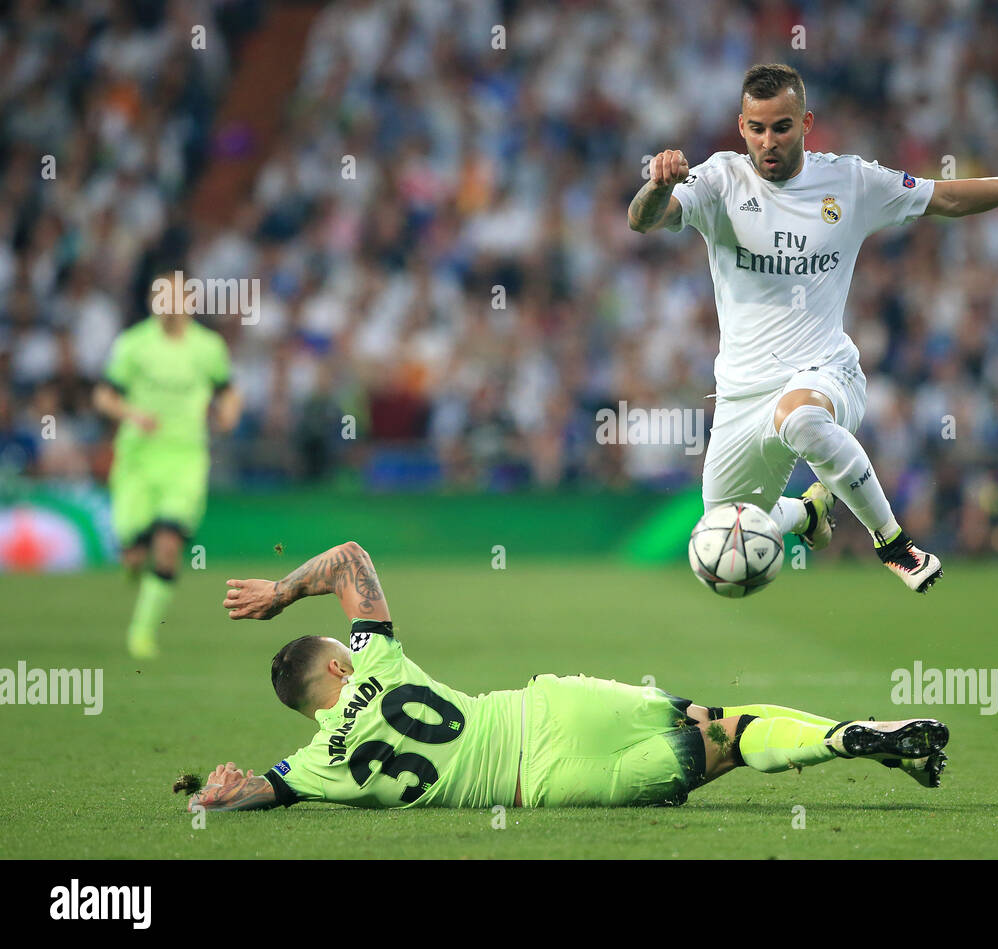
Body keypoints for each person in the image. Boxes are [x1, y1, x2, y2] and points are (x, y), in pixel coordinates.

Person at [628, 63, 998, 592]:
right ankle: (806, 515)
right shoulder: (718, 180)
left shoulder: (849, 181)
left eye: (782, 126)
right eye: (757, 128)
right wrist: (658, 185)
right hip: (739, 393)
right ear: (741, 127)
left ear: (806, 123)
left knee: (799, 420)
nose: (768, 141)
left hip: (824, 371)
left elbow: (946, 197)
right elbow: (642, 219)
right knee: (721, 539)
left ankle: (894, 545)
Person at [183, 541, 949, 813]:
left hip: (546, 783)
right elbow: (351, 557)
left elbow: (256, 792)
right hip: (548, 707)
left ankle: (847, 739)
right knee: (729, 718)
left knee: (724, 752)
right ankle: (848, 733)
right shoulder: (375, 660)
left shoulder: (317, 766)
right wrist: (282, 594)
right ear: (341, 661)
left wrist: (222, 790)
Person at [93, 270, 241, 658]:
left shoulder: (208, 347)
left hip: (185, 458)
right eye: (161, 296)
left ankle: (142, 634)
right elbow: (104, 396)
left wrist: (228, 414)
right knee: (135, 553)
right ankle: (131, 559)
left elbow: (227, 392)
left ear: (189, 301)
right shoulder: (133, 344)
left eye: (175, 296)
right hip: (138, 460)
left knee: (167, 545)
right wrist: (131, 414)